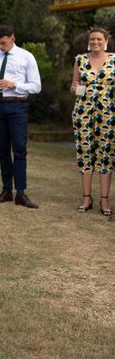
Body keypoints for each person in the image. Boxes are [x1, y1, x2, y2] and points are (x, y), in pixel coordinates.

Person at [0, 25, 41, 208]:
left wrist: (14, 84)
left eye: (3, 43)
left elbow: (36, 86)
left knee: (19, 149)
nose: (1, 47)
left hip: (17, 106)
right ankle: (7, 190)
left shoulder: (26, 57)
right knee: (2, 149)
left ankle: (21, 193)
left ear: (12, 38)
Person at [70, 27, 115, 217]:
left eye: (99, 39)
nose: (95, 42)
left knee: (106, 155)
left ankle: (104, 200)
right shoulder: (80, 59)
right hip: (83, 113)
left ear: (105, 41)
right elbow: (73, 86)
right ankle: (86, 197)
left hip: (108, 114)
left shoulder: (114, 60)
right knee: (85, 153)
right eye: (92, 39)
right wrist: (78, 89)